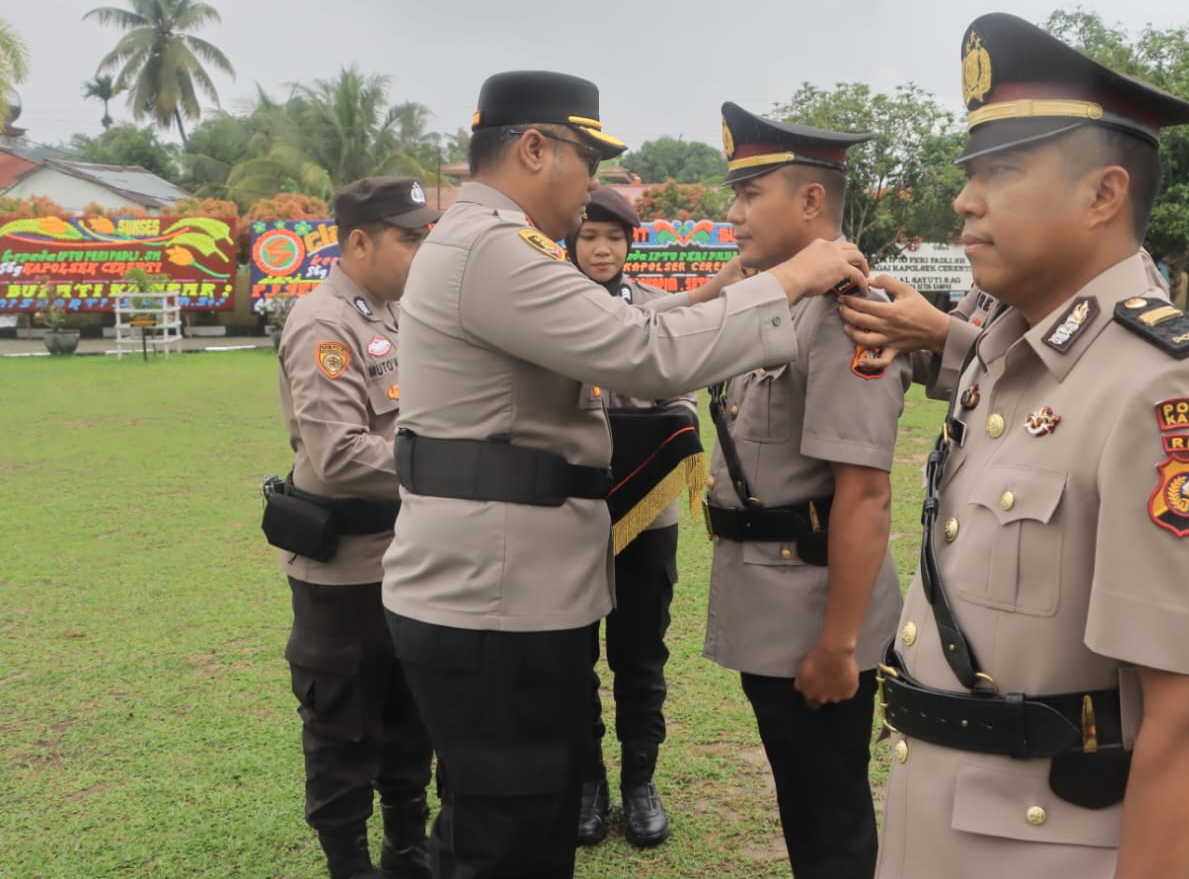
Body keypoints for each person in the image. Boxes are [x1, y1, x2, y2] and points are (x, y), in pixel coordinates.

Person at [379, 71, 871, 879]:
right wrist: (789, 281)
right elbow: (642, 357)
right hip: (495, 597)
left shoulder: (485, 241)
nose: (593, 188)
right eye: (586, 159)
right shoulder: (497, 249)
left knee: (495, 820)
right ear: (534, 148)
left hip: (494, 584)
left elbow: (626, 325)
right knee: (511, 836)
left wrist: (730, 288)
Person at [854, 12, 1189, 879]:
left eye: (1000, 172)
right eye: (970, 174)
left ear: (1101, 194)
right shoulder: (1010, 352)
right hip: (947, 828)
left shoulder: (1166, 386)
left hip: (1056, 847)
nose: (964, 200)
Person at [702, 101, 911, 879]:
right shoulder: (771, 299)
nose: (733, 212)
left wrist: (839, 647)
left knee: (830, 823)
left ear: (812, 202)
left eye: (751, 193)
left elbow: (863, 496)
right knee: (806, 803)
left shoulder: (844, 314)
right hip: (771, 599)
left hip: (815, 615)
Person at [267, 177, 439, 879]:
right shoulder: (323, 322)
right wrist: (449, 466)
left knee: (409, 714)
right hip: (346, 570)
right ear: (360, 240)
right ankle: (349, 864)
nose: (421, 250)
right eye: (409, 237)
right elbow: (337, 455)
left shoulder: (399, 311)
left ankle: (406, 848)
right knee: (343, 723)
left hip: (409, 555)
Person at [565, 187, 700, 850]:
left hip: (647, 513)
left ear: (629, 245)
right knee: (571, 653)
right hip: (565, 513)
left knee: (640, 652)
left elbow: (682, 398)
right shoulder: (547, 309)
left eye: (614, 239)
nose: (601, 249)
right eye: (590, 235)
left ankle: (640, 781)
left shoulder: (652, 309)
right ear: (570, 239)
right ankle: (588, 783)